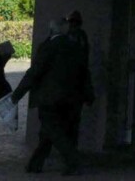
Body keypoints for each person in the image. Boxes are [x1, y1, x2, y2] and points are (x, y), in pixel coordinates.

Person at [11, 17, 88, 176]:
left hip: (50, 97)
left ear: (51, 30)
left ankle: (72, 161)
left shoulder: (48, 47)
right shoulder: (75, 46)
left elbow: (35, 72)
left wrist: (17, 94)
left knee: (52, 130)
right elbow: (84, 73)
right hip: (71, 97)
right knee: (49, 131)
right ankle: (35, 164)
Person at [65, 10, 94, 147]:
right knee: (73, 120)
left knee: (69, 121)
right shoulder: (82, 36)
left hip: (72, 85)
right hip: (78, 84)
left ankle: (70, 150)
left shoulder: (71, 37)